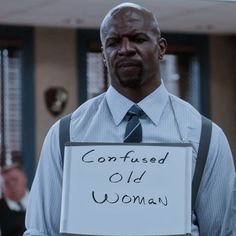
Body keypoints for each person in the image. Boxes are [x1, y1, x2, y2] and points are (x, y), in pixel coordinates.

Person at [24, 2, 235, 236]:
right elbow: (41, 230)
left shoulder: (205, 137)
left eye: (138, 38)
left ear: (161, 48)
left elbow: (223, 232)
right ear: (103, 55)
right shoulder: (65, 134)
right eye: (113, 42)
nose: (125, 49)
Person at [0, 163, 28, 236]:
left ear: (24, 177)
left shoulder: (39, 201)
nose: (11, 185)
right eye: (6, 183)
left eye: (14, 179)